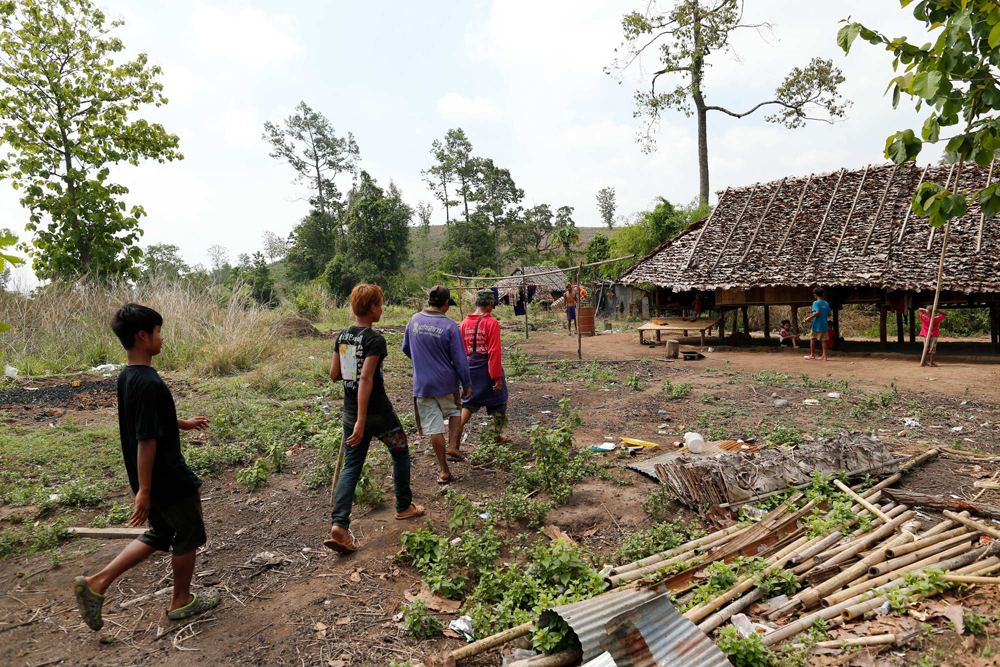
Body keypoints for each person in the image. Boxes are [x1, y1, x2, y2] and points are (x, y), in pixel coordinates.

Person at [74, 304, 219, 632]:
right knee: (190, 533)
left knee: (161, 532)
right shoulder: (149, 383)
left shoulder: (129, 377)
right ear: (142, 336)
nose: (161, 337)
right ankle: (181, 601)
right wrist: (145, 491)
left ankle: (96, 583)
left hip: (152, 479)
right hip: (166, 477)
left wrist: (182, 423)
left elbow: (150, 421)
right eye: (157, 331)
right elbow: (146, 439)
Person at [325, 284, 424, 554]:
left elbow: (336, 375)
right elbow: (367, 378)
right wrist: (362, 419)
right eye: (381, 304)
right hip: (377, 413)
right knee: (400, 451)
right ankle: (404, 507)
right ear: (371, 308)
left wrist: (355, 416)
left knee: (352, 467)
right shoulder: (375, 339)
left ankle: (339, 526)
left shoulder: (343, 336)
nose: (382, 308)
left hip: (350, 412)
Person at [402, 285, 472, 484]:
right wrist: (466, 383)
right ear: (446, 303)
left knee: (434, 428)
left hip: (423, 385)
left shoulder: (414, 320)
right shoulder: (450, 326)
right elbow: (460, 360)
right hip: (447, 383)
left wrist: (421, 362)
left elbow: (406, 348)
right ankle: (452, 446)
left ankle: (443, 470)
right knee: (456, 411)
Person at [459, 290, 509, 442]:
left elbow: (460, 351)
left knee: (468, 404)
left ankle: (453, 439)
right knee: (500, 402)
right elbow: (493, 352)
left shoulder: (464, 323)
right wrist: (497, 378)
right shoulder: (491, 323)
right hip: (487, 369)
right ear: (490, 303)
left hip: (470, 369)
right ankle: (496, 436)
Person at [803, 287, 831, 361]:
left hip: (817, 324)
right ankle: (824, 356)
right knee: (823, 340)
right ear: (823, 294)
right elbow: (829, 314)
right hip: (824, 324)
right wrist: (823, 316)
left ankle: (812, 355)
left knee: (812, 339)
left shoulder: (815, 303)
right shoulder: (826, 303)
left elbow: (817, 312)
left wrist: (810, 318)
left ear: (815, 295)